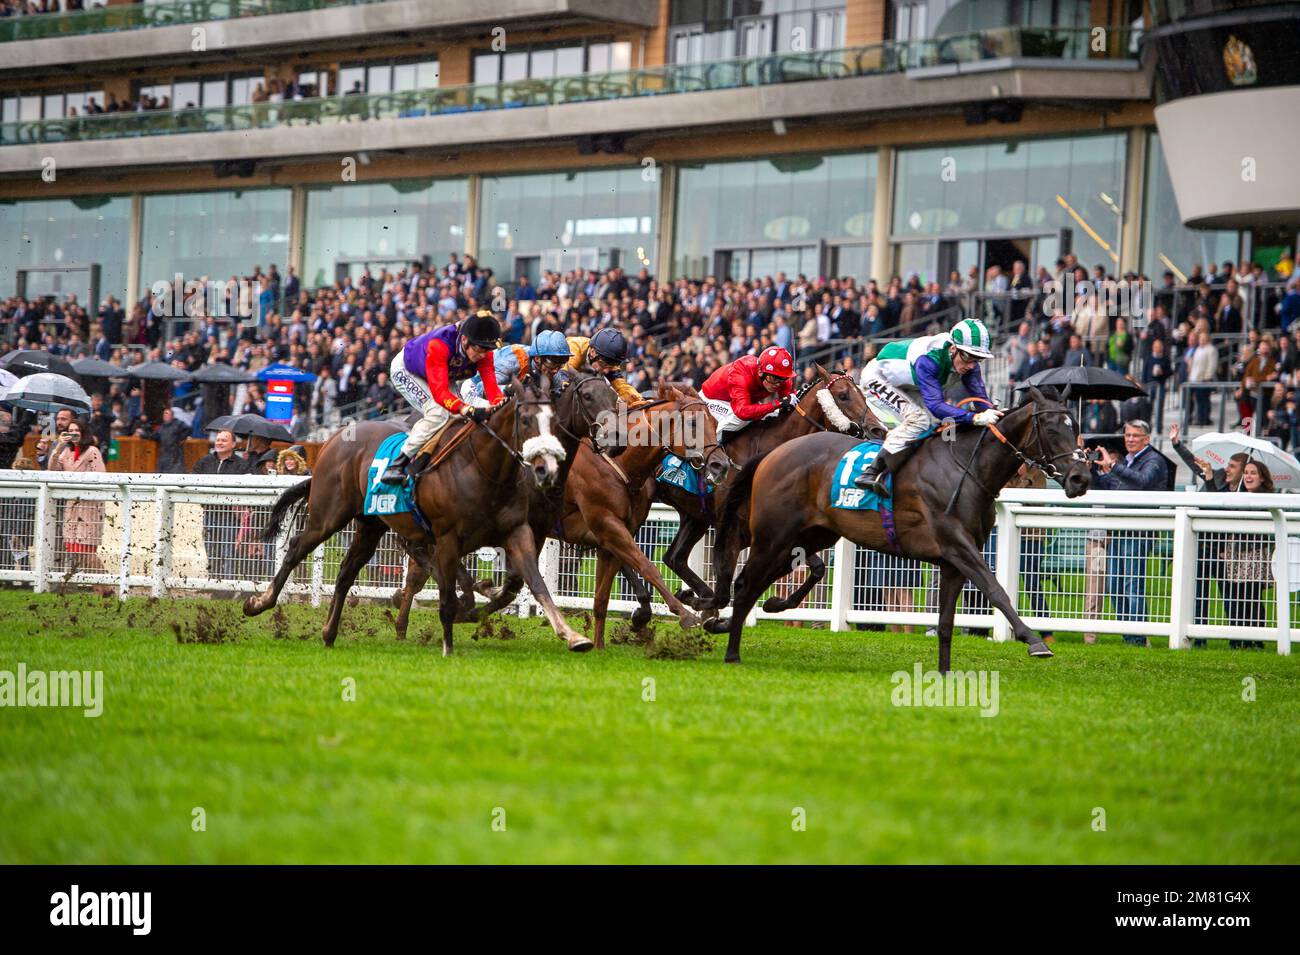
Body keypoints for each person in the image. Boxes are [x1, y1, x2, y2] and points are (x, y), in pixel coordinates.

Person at [856, 318, 1001, 494]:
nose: (971, 365)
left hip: (910, 385)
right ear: (953, 349)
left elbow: (981, 401)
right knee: (920, 420)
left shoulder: (967, 363)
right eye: (968, 357)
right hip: (878, 378)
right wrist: (975, 418)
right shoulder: (930, 359)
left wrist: (996, 414)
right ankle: (872, 472)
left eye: (978, 359)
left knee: (938, 424)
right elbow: (936, 406)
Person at [381, 311, 504, 484]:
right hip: (407, 370)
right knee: (438, 413)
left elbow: (491, 386)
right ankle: (398, 464)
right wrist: (467, 409)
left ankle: (427, 458)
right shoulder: (440, 344)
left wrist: (501, 404)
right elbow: (440, 393)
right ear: (464, 340)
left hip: (442, 374)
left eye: (487, 350)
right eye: (479, 349)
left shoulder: (483, 350)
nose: (483, 355)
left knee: (460, 416)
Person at [1089, 420, 1167, 646]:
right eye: (1127, 435)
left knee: (1132, 586)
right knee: (1114, 585)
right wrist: (1093, 468)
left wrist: (1113, 466)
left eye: (1135, 435)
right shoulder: (1129, 461)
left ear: (1147, 439)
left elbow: (1142, 482)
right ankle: (1128, 634)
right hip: (1118, 530)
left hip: (1139, 532)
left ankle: (1138, 637)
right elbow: (1107, 487)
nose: (1130, 439)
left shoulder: (1154, 460)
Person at [1217, 460, 1275, 647]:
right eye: (1247, 473)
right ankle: (1240, 638)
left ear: (1262, 477)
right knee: (1238, 597)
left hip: (1255, 553)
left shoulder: (1266, 498)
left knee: (1251, 597)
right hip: (1237, 551)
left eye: (1253, 473)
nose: (1248, 476)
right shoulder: (1240, 495)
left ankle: (1256, 639)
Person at [191, 429, 253, 580]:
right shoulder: (204, 462)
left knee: (228, 551)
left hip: (230, 516)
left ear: (233, 444)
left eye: (224, 440)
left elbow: (247, 488)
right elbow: (193, 482)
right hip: (210, 513)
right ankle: (214, 583)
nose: (219, 442)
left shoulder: (242, 465)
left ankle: (228, 585)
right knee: (212, 550)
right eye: (218, 440)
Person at [700, 345, 795, 441]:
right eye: (773, 378)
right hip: (710, 399)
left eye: (783, 379)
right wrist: (776, 404)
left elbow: (787, 405)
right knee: (740, 420)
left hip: (738, 401)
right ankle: (705, 449)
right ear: (760, 371)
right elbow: (743, 412)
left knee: (774, 414)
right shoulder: (740, 373)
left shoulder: (781, 377)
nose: (778, 384)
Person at [48, 417, 107, 572]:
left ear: (83, 432)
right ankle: (102, 588)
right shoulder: (66, 451)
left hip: (89, 506)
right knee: (74, 548)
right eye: (71, 431)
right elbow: (52, 471)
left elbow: (100, 475)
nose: (74, 433)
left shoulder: (92, 451)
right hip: (72, 506)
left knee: (85, 550)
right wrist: (58, 446)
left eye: (77, 430)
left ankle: (106, 584)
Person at [461, 329, 573, 400]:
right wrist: (511, 390)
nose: (556, 370)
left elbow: (559, 394)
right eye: (554, 364)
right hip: (475, 389)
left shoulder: (550, 368)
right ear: (538, 359)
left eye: (561, 364)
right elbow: (482, 389)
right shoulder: (514, 360)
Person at [565, 327, 643, 406]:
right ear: (592, 353)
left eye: (611, 367)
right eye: (604, 365)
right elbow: (566, 381)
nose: (606, 371)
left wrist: (639, 400)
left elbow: (622, 387)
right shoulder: (574, 348)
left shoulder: (607, 360)